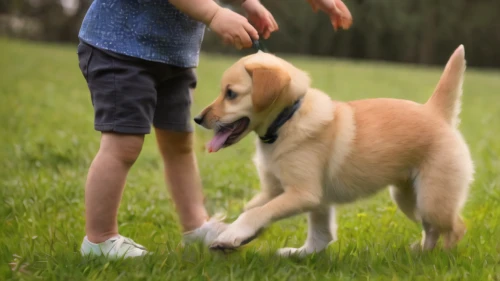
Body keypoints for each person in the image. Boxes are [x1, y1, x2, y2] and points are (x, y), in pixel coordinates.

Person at [77, 0, 352, 259]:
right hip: (120, 50)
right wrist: (215, 14)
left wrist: (247, 3)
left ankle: (196, 226)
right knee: (123, 145)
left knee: (180, 143)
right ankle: (100, 239)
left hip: (172, 58)